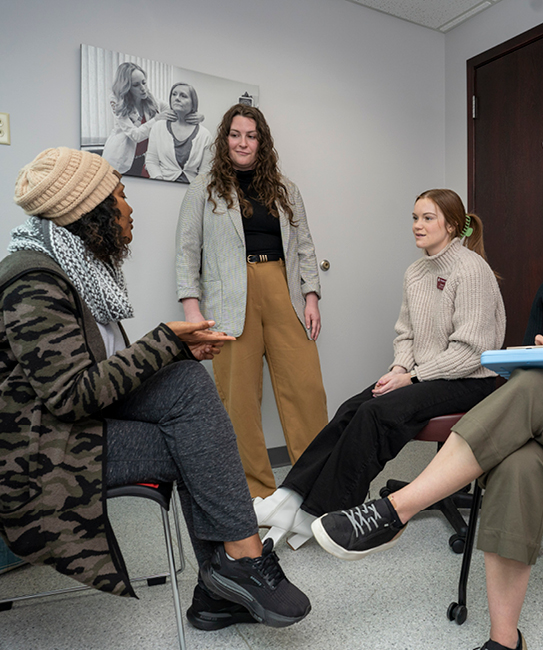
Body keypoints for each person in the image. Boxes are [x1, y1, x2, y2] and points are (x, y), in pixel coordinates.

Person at [312, 170, 543, 650]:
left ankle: (396, 511)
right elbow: (526, 372)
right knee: (516, 463)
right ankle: (504, 641)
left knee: (540, 386)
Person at [0, 147, 310, 632]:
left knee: (187, 384)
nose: (129, 208)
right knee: (189, 441)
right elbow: (71, 395)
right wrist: (165, 343)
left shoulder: (78, 266)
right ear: (89, 210)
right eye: (121, 197)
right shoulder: (32, 278)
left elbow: (98, 374)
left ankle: (230, 574)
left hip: (77, 421)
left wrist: (174, 350)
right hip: (43, 446)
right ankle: (229, 575)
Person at [254, 189, 506, 550]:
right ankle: (290, 495)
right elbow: (406, 333)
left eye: (428, 218)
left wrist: (412, 377)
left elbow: (472, 352)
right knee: (352, 407)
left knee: (377, 414)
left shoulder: (471, 269)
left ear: (452, 225)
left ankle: (323, 512)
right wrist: (399, 368)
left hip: (469, 379)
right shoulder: (416, 272)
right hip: (424, 373)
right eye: (415, 218)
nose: (418, 225)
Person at [176, 104, 328, 498]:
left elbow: (306, 247)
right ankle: (256, 493)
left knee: (306, 391)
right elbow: (186, 253)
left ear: (262, 142)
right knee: (238, 402)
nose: (243, 142)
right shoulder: (203, 189)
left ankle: (318, 487)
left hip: (283, 290)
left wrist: (311, 297)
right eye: (236, 134)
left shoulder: (285, 188)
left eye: (251, 135)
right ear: (224, 139)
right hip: (230, 301)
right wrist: (193, 315)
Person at [102, 63, 202, 177]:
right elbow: (136, 136)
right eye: (136, 85)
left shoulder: (149, 98)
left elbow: (174, 109)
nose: (143, 88)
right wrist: (156, 119)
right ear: (127, 87)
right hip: (120, 160)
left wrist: (196, 114)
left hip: (142, 160)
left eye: (144, 82)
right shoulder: (117, 101)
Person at [146, 83, 212, 183]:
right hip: (161, 186)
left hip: (191, 191)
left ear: (193, 103)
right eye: (174, 94)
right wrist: (159, 182)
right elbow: (151, 161)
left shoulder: (205, 135)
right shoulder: (158, 127)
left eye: (183, 96)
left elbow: (205, 171)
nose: (177, 98)